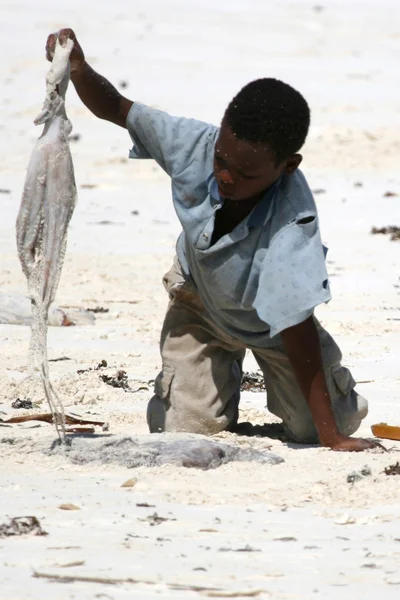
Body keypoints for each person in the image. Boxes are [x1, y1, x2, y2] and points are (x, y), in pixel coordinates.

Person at [46, 28, 378, 452]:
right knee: (184, 429)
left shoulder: (292, 228)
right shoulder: (195, 144)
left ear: (288, 166)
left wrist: (332, 436)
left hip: (271, 326)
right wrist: (78, 69)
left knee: (317, 428)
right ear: (220, 132)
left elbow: (294, 327)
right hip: (199, 302)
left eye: (246, 174)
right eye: (222, 161)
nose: (225, 177)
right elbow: (117, 107)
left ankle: (319, 401)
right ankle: (215, 376)